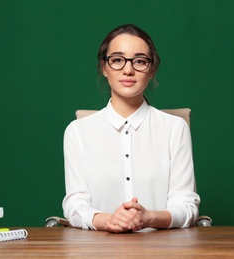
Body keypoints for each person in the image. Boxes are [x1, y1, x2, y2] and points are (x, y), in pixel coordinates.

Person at [62, 24, 200, 233]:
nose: (128, 69)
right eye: (117, 60)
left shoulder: (175, 128)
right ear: (104, 67)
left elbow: (186, 205)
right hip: (98, 250)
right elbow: (75, 204)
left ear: (152, 70)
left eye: (140, 61)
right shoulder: (77, 131)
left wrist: (149, 217)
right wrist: (110, 220)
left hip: (163, 250)